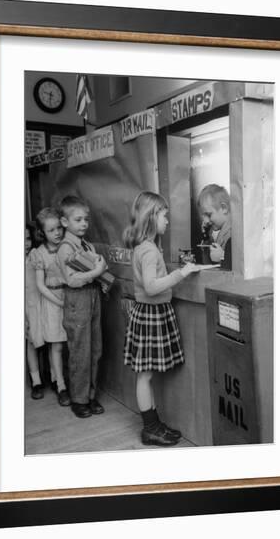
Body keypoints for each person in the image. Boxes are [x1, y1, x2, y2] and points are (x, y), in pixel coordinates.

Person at [123, 191, 198, 447]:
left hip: (151, 314)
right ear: (151, 216)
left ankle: (154, 424)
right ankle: (150, 429)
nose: (168, 219)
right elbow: (152, 286)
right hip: (150, 315)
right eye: (164, 214)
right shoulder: (148, 251)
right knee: (144, 375)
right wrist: (181, 273)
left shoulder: (147, 247)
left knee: (147, 375)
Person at [57, 195, 108, 418]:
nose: (84, 224)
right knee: (80, 351)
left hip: (93, 297)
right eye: (78, 220)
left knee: (95, 349)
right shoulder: (65, 249)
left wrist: (102, 280)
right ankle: (79, 399)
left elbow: (93, 272)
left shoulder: (86, 244)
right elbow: (72, 280)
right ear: (65, 222)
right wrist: (96, 272)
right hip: (77, 300)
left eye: (86, 219)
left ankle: (90, 395)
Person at [32, 208, 71, 407]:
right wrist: (58, 302)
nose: (57, 233)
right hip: (52, 300)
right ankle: (61, 386)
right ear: (42, 233)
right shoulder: (39, 254)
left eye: (58, 228)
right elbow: (40, 285)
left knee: (69, 343)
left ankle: (63, 378)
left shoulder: (68, 246)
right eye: (51, 230)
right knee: (56, 344)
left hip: (70, 296)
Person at [25, 224, 45, 400]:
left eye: (28, 238)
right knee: (31, 343)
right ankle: (36, 381)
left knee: (50, 341)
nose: (25, 243)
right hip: (26, 308)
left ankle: (55, 379)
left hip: (41, 303)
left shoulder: (35, 254)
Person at [198, 184, 232, 270]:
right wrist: (206, 240)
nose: (205, 221)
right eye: (203, 216)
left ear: (224, 208)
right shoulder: (216, 233)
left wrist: (223, 257)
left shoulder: (235, 233)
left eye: (209, 215)